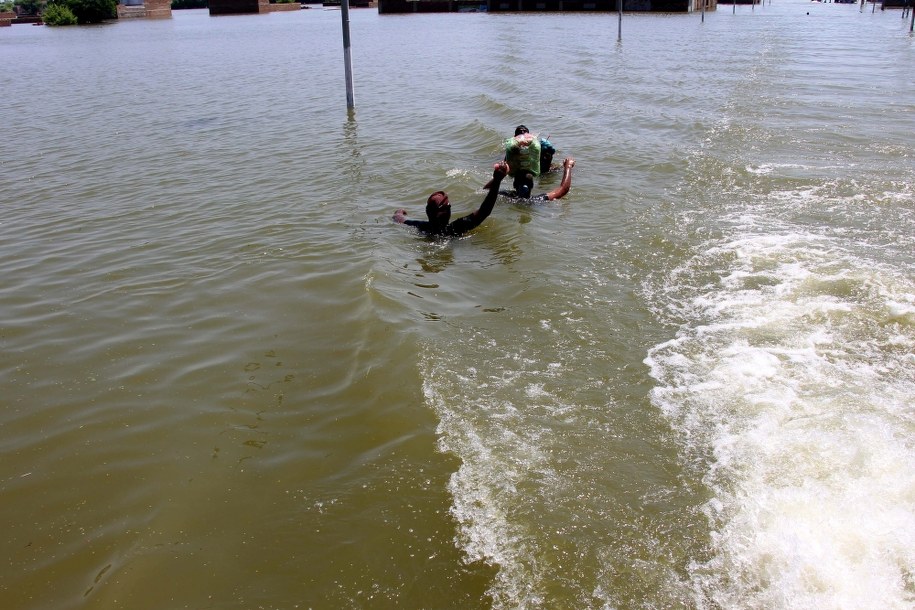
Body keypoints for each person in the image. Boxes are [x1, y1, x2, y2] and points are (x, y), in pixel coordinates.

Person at [393, 161, 510, 237]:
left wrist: (399, 211)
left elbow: (398, 218)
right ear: (449, 211)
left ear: (427, 211)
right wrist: (497, 180)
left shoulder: (421, 227)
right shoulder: (455, 229)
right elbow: (485, 211)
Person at [488, 125, 558, 198]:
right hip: (524, 173)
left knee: (552, 168)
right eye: (519, 131)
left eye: (524, 131)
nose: (522, 132)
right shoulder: (511, 150)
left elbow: (489, 191)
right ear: (514, 137)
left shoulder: (534, 149)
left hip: (534, 171)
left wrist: (547, 155)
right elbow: (562, 189)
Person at [509, 156, 576, 202]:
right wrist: (568, 166)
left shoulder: (506, 196)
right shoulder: (538, 200)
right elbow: (564, 189)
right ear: (532, 186)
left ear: (514, 185)